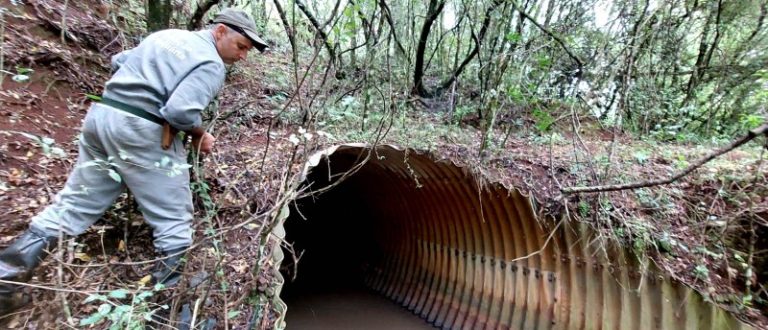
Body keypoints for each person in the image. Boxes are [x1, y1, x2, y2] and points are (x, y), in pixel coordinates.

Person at [0, 8, 267, 314]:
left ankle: (5, 282)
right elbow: (179, 113)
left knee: (75, 204)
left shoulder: (166, 36)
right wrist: (199, 133)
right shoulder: (210, 63)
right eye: (241, 46)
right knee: (174, 223)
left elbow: (118, 62)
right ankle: (167, 313)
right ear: (220, 31)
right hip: (142, 132)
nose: (243, 55)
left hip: (102, 120)